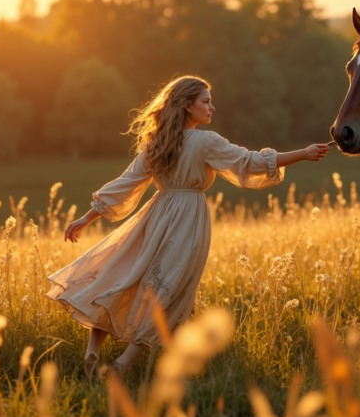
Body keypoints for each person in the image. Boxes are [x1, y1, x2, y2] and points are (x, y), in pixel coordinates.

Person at [46, 75, 330, 375]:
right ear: (186, 105)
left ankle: (93, 350)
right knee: (168, 292)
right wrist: (303, 154)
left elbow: (126, 183)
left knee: (120, 275)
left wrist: (88, 217)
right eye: (206, 101)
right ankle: (120, 365)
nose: (212, 107)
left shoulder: (158, 142)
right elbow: (249, 162)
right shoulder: (206, 141)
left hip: (156, 215)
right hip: (189, 220)